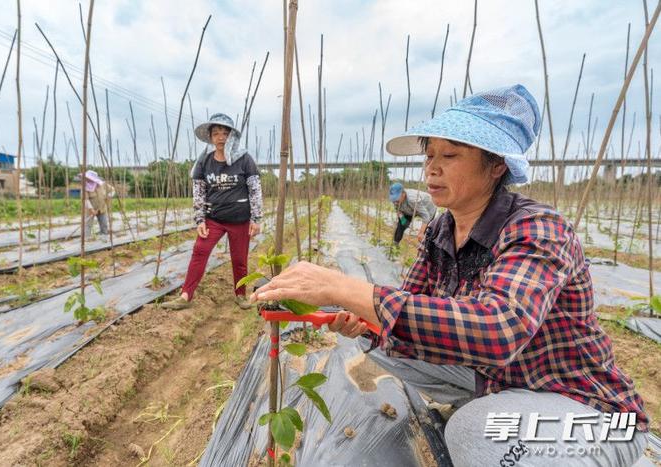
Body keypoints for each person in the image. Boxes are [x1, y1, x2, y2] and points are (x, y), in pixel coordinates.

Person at [251, 85, 649, 466]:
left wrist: (345, 285)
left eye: (451, 156)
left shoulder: (537, 228)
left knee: (471, 432)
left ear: (496, 165)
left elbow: (498, 330)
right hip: (504, 382)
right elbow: (405, 310)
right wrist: (364, 318)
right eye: (429, 156)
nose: (432, 168)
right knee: (387, 343)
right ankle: (503, 413)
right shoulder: (441, 231)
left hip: (586, 410)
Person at [163, 113, 262, 311]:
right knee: (200, 251)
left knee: (240, 259)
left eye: (225, 133)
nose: (221, 137)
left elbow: (255, 188)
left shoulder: (244, 159)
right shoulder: (204, 162)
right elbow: (199, 192)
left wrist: (256, 218)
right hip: (213, 219)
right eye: (216, 133)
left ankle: (240, 295)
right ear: (210, 137)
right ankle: (185, 295)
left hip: (239, 219)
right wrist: (200, 220)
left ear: (232, 136)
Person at [79, 170, 113, 240]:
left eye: (88, 178)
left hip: (102, 208)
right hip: (90, 210)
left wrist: (109, 196)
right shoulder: (84, 187)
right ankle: (86, 238)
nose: (87, 179)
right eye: (86, 178)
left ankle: (104, 237)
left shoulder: (102, 184)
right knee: (88, 225)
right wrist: (91, 209)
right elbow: (86, 199)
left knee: (104, 224)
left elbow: (112, 190)